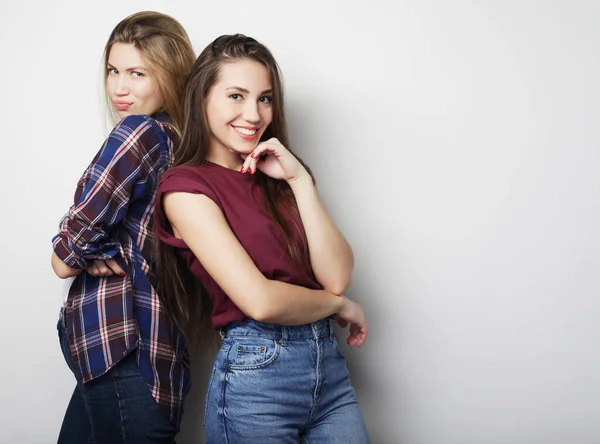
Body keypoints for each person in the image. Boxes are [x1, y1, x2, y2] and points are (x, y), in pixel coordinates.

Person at [154, 34, 371, 443]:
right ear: (203, 98)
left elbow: (337, 275)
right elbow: (261, 301)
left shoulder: (279, 173)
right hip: (258, 378)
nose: (253, 114)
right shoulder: (185, 188)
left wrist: (299, 180)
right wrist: (340, 306)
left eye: (265, 99)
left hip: (330, 375)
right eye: (236, 96)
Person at [50, 11, 196, 443]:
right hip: (150, 349)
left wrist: (84, 247)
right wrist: (98, 247)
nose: (119, 87)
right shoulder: (182, 144)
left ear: (170, 75)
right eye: (113, 70)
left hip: (123, 347)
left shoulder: (138, 133)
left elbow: (62, 258)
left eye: (138, 72)